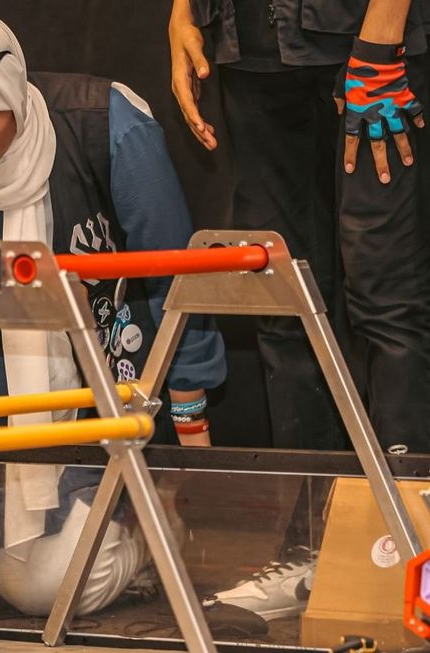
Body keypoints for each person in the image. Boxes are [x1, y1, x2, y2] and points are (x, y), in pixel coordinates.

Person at [0, 9, 226, 615]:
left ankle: (148, 536)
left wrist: (190, 448)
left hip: (110, 402)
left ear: (12, 94)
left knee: (48, 588)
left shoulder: (106, 125)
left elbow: (174, 280)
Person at [168, 0, 430, 621]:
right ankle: (312, 547)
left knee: (386, 298)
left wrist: (384, 34)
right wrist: (181, 12)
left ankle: (408, 555)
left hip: (366, 42)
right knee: (285, 297)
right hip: (251, 44)